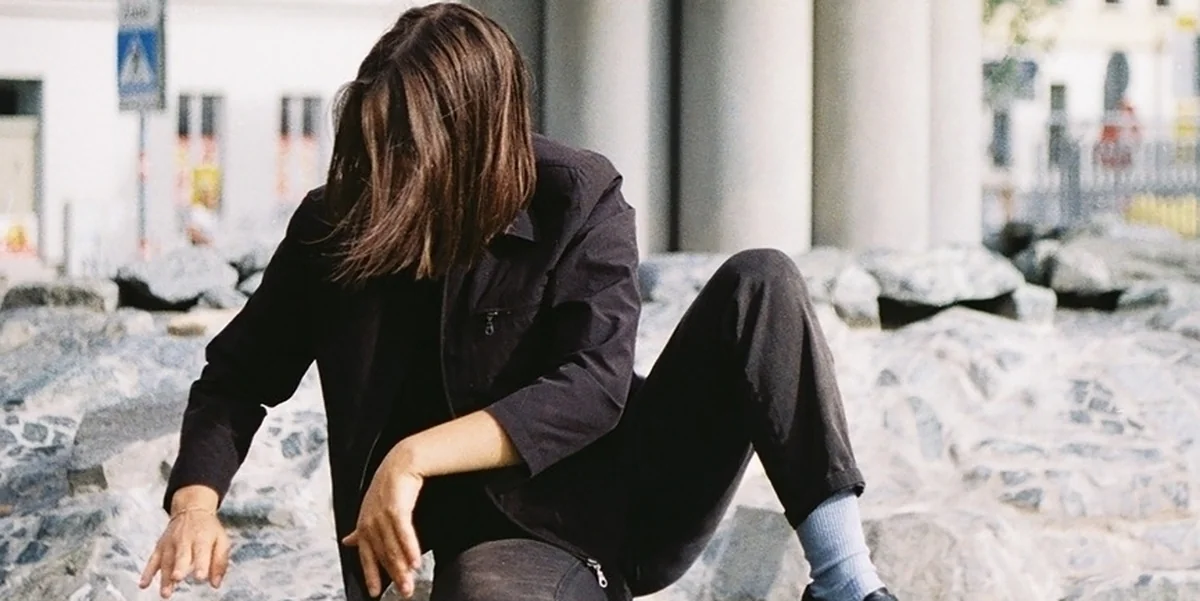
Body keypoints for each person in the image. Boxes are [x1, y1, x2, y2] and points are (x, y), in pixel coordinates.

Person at [137, 4, 897, 601]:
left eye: (404, 148)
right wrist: (195, 505)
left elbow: (594, 385)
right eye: (373, 141)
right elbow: (237, 376)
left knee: (762, 280)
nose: (383, 170)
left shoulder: (577, 194)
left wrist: (414, 455)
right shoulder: (335, 224)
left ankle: (847, 581)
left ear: (473, 141)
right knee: (488, 587)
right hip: (466, 545)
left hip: (609, 504)